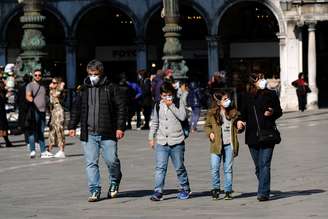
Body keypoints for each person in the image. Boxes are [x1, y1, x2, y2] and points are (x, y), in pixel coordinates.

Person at [68, 59, 128, 202]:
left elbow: (121, 108)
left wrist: (120, 127)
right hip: (89, 133)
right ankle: (94, 189)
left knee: (111, 160)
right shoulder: (83, 89)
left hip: (108, 131)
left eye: (95, 74)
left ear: (101, 73)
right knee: (91, 162)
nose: (92, 77)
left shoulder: (111, 88)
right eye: (90, 74)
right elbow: (77, 108)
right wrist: (71, 126)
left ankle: (115, 180)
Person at [239, 72, 282, 201]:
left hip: (268, 133)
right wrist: (239, 122)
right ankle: (264, 186)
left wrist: (272, 112)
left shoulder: (271, 94)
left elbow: (279, 111)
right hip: (252, 135)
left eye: (263, 78)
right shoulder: (246, 96)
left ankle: (263, 193)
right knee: (258, 167)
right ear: (253, 81)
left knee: (264, 164)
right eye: (260, 79)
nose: (263, 80)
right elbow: (242, 114)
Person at [148, 82, 191, 201]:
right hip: (162, 142)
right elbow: (155, 122)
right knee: (160, 167)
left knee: (179, 167)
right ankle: (158, 191)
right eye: (164, 95)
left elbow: (183, 117)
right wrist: (151, 137)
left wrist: (171, 105)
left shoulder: (178, 102)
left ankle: (185, 188)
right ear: (161, 95)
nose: (167, 97)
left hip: (177, 140)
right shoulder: (157, 105)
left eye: (169, 95)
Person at [204, 91, 244, 200]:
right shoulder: (212, 113)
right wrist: (210, 133)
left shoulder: (233, 113)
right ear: (218, 102)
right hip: (216, 145)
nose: (227, 101)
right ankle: (216, 189)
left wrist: (240, 126)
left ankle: (228, 191)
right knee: (214, 168)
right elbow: (207, 126)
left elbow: (239, 126)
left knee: (228, 169)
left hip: (229, 145)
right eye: (224, 99)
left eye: (227, 99)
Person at [26, 69, 54, 158]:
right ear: (33, 76)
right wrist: (34, 105)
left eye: (39, 75)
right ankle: (33, 150)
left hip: (42, 111)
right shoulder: (30, 85)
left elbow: (45, 97)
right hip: (34, 111)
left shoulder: (43, 86)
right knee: (32, 131)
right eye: (36, 75)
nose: (38, 76)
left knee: (41, 132)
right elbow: (28, 96)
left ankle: (42, 152)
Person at [48, 77, 66, 158]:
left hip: (59, 110)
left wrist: (60, 86)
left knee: (59, 130)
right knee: (52, 130)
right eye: (52, 82)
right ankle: (49, 150)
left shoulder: (60, 90)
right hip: (53, 111)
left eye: (55, 83)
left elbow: (57, 94)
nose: (52, 84)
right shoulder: (52, 90)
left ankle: (62, 150)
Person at [17, 74, 31, 148]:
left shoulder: (20, 88)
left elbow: (17, 99)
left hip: (22, 109)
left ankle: (27, 141)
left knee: (25, 126)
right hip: (29, 108)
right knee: (30, 125)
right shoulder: (30, 87)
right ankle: (31, 141)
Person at [0, 80, 13, 147]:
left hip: (2, 112)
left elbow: (4, 101)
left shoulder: (2, 92)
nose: (3, 86)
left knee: (4, 127)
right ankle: (7, 142)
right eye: (2, 85)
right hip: (1, 113)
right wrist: (6, 97)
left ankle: (7, 142)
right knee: (2, 127)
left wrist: (6, 96)